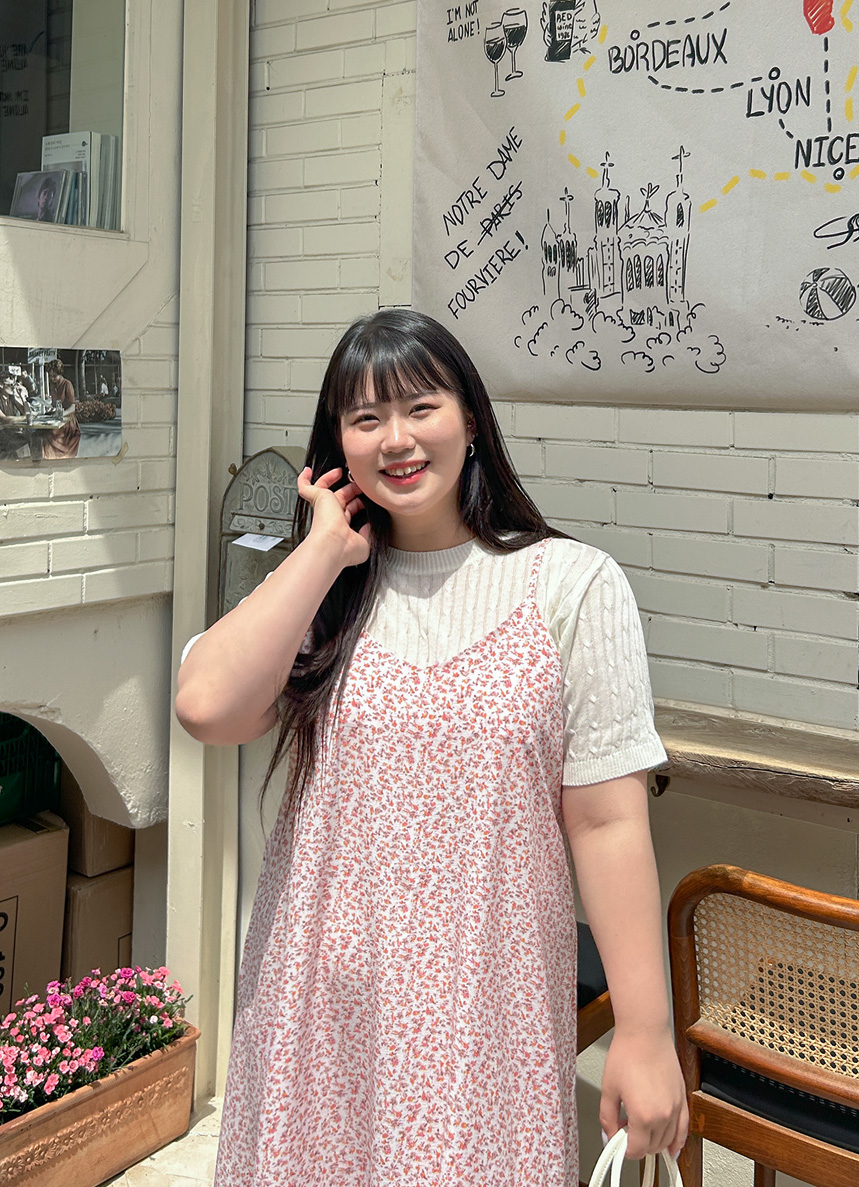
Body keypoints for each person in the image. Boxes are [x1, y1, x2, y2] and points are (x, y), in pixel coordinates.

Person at [176, 308, 688, 1187]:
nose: (397, 438)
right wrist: (323, 550)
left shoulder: (571, 584)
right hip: (317, 1004)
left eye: (421, 407)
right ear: (336, 444)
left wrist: (645, 1032)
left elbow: (606, 822)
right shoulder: (324, 594)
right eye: (366, 417)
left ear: (471, 420)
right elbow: (206, 706)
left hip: (484, 1014)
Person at [42, 358, 81, 459]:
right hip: (57, 420)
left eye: (54, 376)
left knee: (49, 435)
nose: (52, 378)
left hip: (68, 421)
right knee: (42, 433)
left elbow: (73, 407)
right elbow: (55, 403)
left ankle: (52, 458)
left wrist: (61, 414)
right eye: (50, 376)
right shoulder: (52, 385)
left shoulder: (67, 384)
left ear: (60, 373)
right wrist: (51, 409)